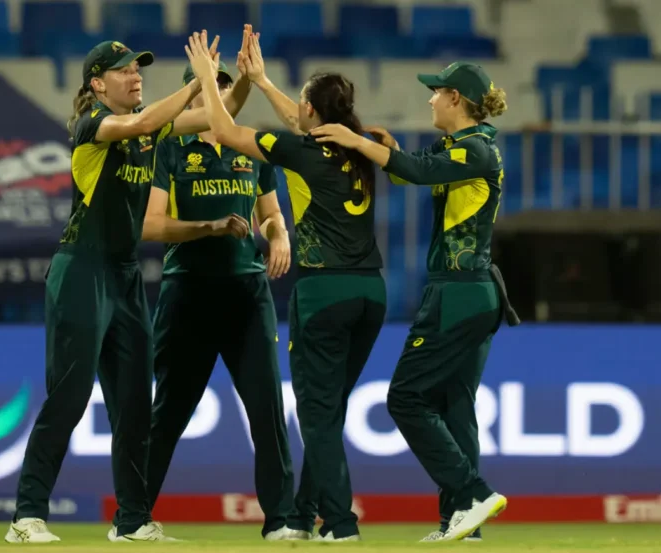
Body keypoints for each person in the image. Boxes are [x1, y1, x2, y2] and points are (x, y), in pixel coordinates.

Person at [5, 32, 254, 543]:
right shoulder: (93, 125)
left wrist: (246, 78)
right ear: (97, 84)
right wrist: (198, 81)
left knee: (136, 404)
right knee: (70, 399)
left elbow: (217, 116)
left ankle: (133, 520)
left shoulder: (148, 135)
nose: (135, 75)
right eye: (123, 70)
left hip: (123, 276)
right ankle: (26, 517)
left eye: (138, 69)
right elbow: (144, 120)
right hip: (81, 271)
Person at [185, 32, 387, 542]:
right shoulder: (361, 149)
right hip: (372, 294)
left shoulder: (300, 151)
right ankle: (300, 516)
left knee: (316, 416)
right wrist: (264, 81)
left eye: (301, 104)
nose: (295, 111)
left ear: (312, 114)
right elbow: (305, 120)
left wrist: (209, 79)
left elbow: (228, 133)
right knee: (331, 409)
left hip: (324, 293)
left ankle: (339, 524)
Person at [310, 61, 520, 542]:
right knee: (455, 405)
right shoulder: (465, 150)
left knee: (405, 398)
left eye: (436, 92)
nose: (429, 99)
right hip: (472, 293)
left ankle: (471, 493)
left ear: (456, 100)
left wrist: (357, 142)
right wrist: (391, 151)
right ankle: (461, 522)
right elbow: (415, 172)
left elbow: (418, 171)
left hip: (459, 293)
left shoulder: (477, 151)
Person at [106, 43, 298, 543]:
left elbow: (271, 214)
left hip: (246, 293)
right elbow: (151, 225)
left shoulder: (251, 148)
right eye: (211, 91)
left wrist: (278, 235)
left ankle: (280, 521)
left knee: (266, 411)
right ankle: (132, 520)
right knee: (167, 411)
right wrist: (208, 228)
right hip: (187, 292)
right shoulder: (169, 148)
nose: (216, 102)